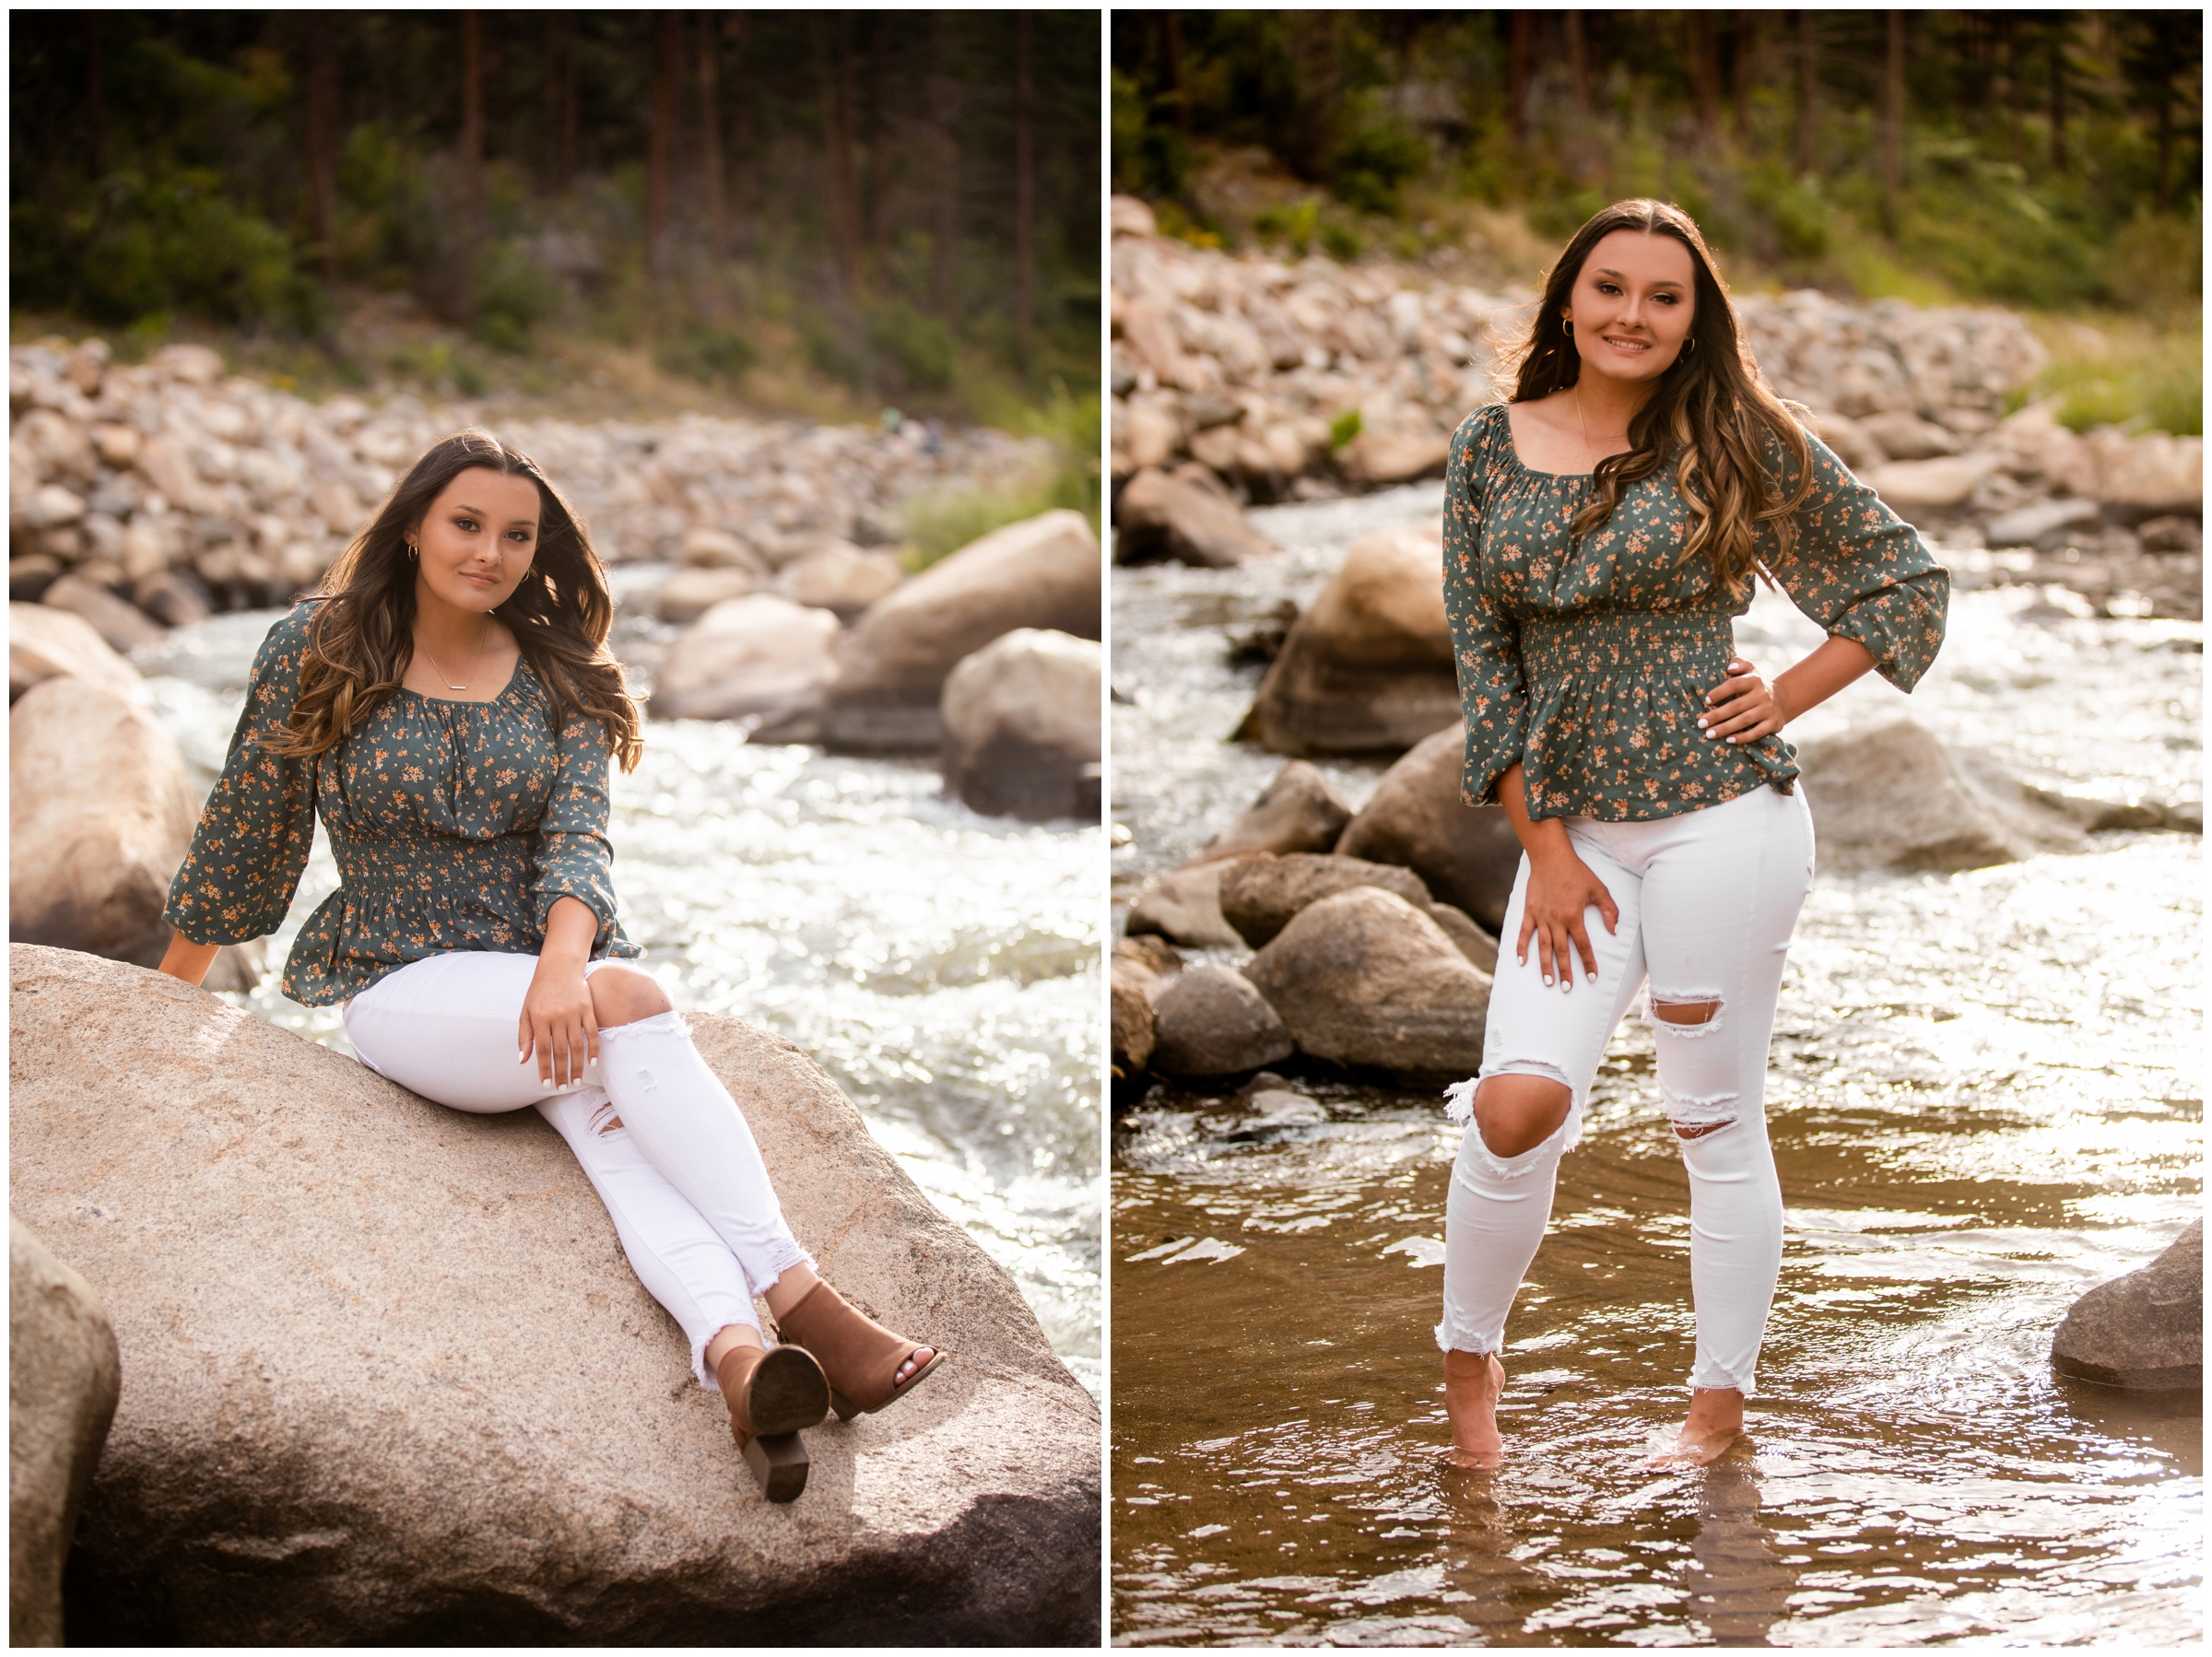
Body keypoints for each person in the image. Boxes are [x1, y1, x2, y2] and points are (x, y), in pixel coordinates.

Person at [157, 429, 942, 1502]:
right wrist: (159, 1004)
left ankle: (742, 1364)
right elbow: (249, 830)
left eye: (517, 535)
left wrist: (561, 963)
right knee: (637, 1002)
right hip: (404, 987)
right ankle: (803, 1296)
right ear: (415, 525)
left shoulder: (561, 670)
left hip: (548, 997)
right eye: (467, 524)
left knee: (622, 1143)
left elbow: (580, 841)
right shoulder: (318, 647)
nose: (490, 552)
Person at [1434, 200, 1947, 1468]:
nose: (1632, 315)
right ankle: (1471, 1373)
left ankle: (1716, 1409)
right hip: (1579, 842)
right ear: (1566, 300)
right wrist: (1545, 848)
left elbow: (1904, 578)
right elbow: (1484, 663)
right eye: (1609, 288)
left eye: (1665, 297)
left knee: (1710, 1123)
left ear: (1695, 317)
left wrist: (1785, 691)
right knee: (1513, 1107)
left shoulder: (1730, 436)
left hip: (1729, 823)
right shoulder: (1488, 448)